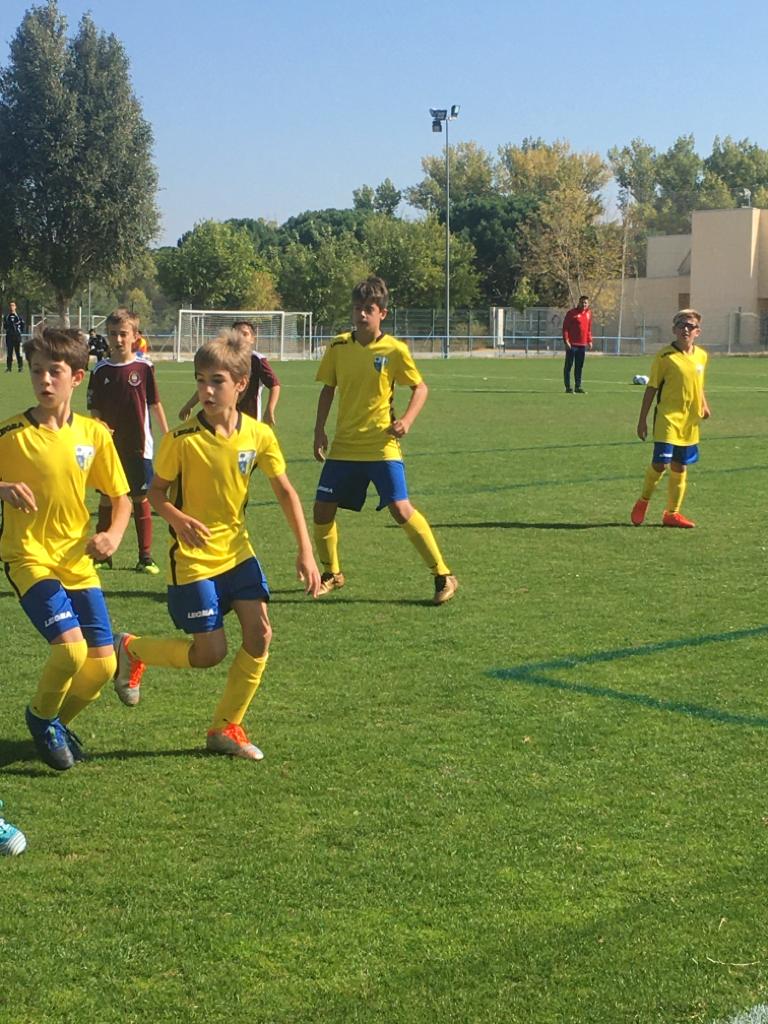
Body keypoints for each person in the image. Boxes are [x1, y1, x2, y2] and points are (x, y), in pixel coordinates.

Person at [112, 330, 321, 761]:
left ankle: (226, 727)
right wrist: (177, 518)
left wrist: (306, 550)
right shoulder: (181, 440)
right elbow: (154, 494)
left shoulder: (258, 435)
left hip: (238, 551)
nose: (205, 390)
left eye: (216, 381)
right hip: (192, 559)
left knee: (260, 635)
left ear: (241, 384)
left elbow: (286, 492)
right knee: (210, 654)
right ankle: (132, 648)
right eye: (200, 380)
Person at [0, 327, 131, 771]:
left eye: (54, 371)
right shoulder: (11, 433)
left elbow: (122, 498)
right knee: (71, 651)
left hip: (77, 561)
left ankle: (55, 722)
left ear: (77, 377)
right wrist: (2, 488)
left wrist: (113, 535)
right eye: (37, 371)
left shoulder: (94, 435)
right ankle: (40, 719)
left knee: (102, 667)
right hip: (28, 557)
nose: (44, 380)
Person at [312, 275, 458, 605]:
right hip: (344, 446)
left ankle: (443, 574)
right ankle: (332, 573)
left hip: (381, 445)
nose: (361, 314)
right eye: (357, 308)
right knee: (322, 510)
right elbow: (328, 389)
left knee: (400, 508)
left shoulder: (394, 350)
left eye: (369, 308)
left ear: (383, 313)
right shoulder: (338, 346)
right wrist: (319, 430)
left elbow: (420, 388)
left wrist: (406, 420)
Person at [87, 308, 169, 573]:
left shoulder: (144, 367)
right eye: (113, 334)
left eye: (123, 334)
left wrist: (167, 434)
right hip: (108, 448)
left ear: (135, 336)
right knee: (106, 498)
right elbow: (94, 408)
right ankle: (102, 556)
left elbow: (154, 403)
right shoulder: (100, 370)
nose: (118, 339)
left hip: (138, 445)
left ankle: (145, 557)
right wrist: (98, 425)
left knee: (140, 497)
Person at [631, 309, 711, 528]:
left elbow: (698, 383)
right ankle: (643, 500)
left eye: (690, 326)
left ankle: (672, 514)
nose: (686, 329)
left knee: (680, 466)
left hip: (690, 422)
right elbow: (652, 388)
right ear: (674, 329)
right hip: (668, 419)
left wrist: (704, 404)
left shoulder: (701, 356)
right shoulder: (665, 356)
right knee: (660, 464)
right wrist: (642, 420)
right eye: (681, 325)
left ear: (698, 331)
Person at [178, 320, 282, 426]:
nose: (240, 337)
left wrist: (270, 409)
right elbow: (209, 384)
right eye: (236, 333)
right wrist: (189, 405)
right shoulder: (223, 359)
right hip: (221, 416)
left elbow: (274, 385)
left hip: (249, 418)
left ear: (252, 339)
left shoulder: (257, 360)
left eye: (245, 334)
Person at [562, 295, 592, 394]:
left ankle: (578, 387)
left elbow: (588, 329)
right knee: (569, 366)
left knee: (579, 366)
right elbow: (565, 328)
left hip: (582, 345)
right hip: (572, 344)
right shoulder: (571, 313)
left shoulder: (588, 313)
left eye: (585, 303)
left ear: (588, 304)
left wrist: (589, 340)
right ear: (579, 303)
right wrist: (566, 340)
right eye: (582, 302)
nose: (584, 304)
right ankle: (568, 387)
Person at [4, 301, 25, 373]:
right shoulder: (7, 317)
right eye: (10, 305)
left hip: (17, 337)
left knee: (19, 353)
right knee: (9, 353)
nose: (11, 307)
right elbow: (5, 326)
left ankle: (20, 368)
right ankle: (9, 368)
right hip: (9, 337)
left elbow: (22, 326)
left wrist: (19, 332)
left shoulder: (19, 317)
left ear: (15, 307)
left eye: (13, 305)